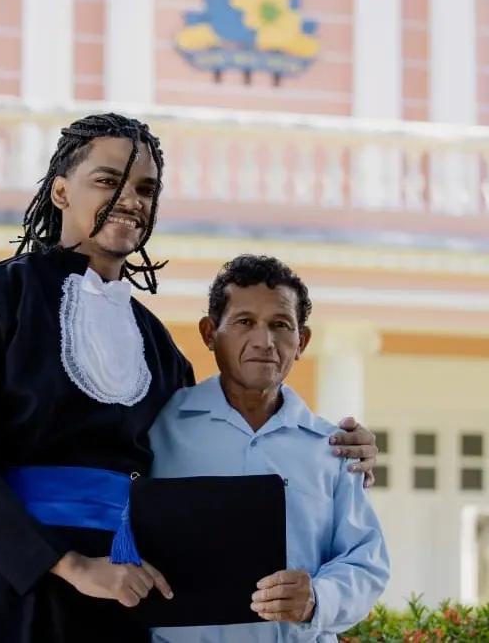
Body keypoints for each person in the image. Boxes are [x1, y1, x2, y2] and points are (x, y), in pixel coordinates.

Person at [0, 112, 380, 643]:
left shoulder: (157, 346)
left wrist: (339, 450)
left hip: (124, 598)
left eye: (145, 189)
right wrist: (72, 565)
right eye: (108, 180)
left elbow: (200, 452)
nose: (131, 199)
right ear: (61, 191)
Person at [149, 254, 389, 642]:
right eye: (244, 322)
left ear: (301, 341)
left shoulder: (333, 448)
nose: (264, 341)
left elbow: (366, 562)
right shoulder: (157, 429)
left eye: (280, 325)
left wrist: (317, 599)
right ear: (210, 333)